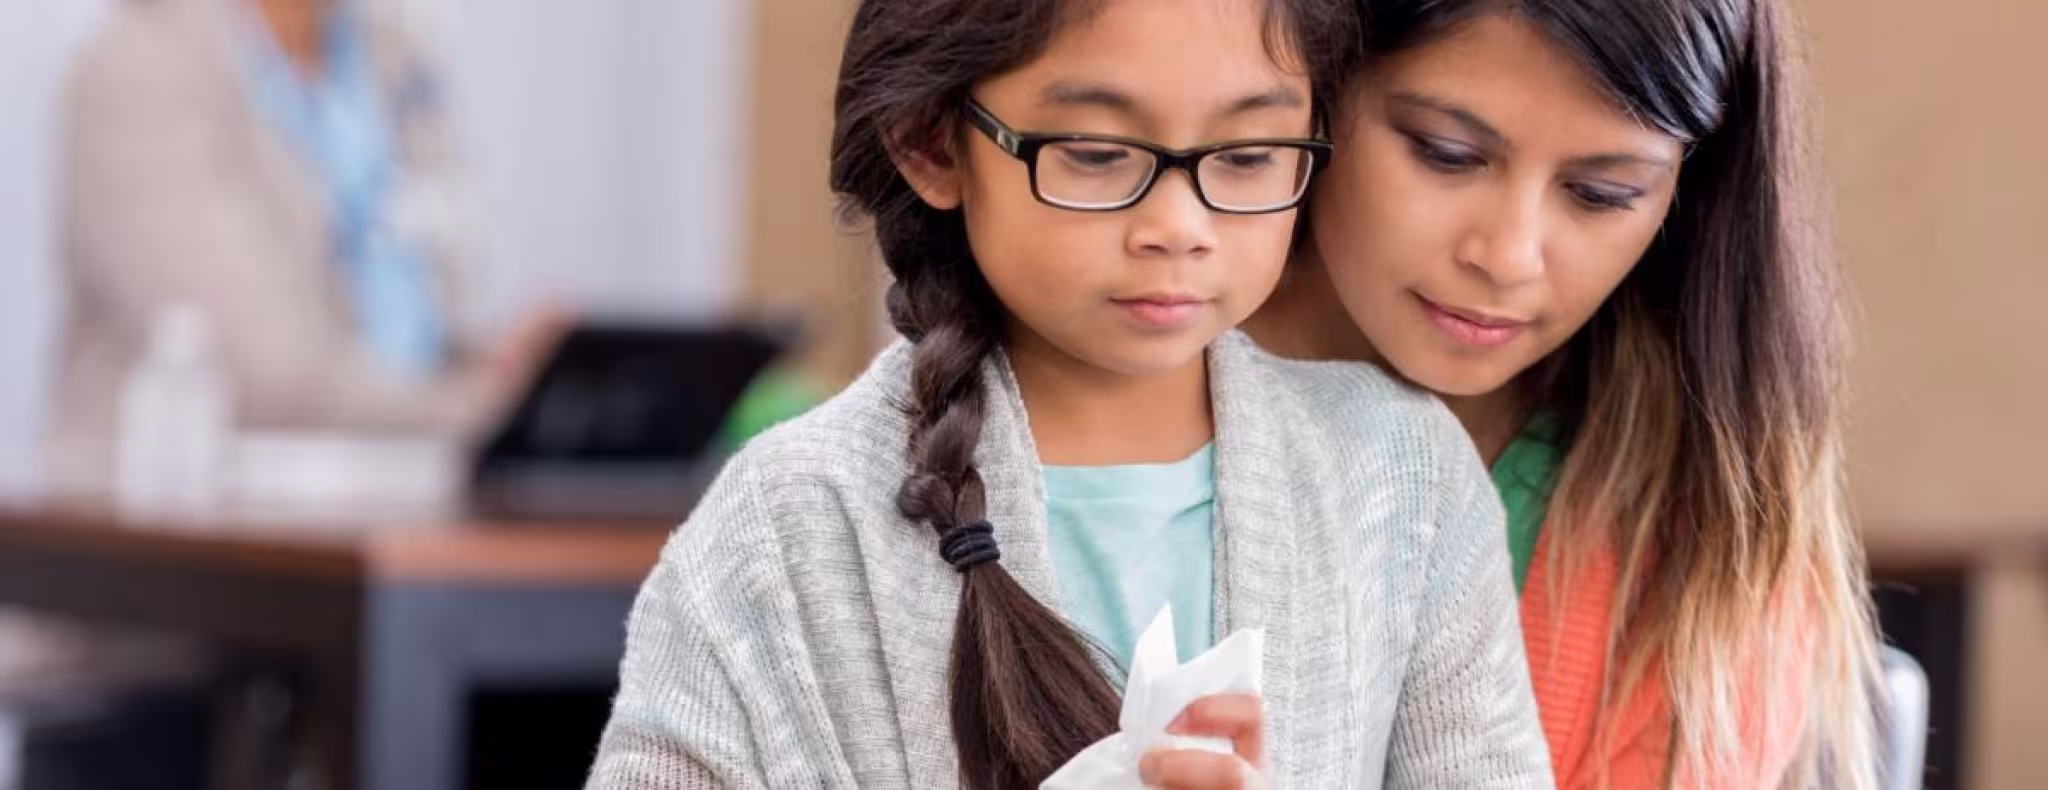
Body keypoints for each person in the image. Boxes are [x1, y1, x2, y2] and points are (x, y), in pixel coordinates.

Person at [584, 0, 1554, 787]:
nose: (1177, 226)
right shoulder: (785, 522)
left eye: (1249, 154)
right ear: (931, 145)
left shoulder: (1401, 479)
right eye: (1095, 153)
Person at [1244, 0, 1882, 786]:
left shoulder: (1708, 549)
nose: (1507, 257)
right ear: (1322, 84)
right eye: (1446, 154)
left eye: (1602, 194)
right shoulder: (1103, 385)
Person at [47, 0, 546, 495]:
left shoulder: (394, 60)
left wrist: (506, 366)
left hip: (406, 496)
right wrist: (500, 405)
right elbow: (271, 378)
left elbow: (409, 320)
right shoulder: (142, 66)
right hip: (202, 529)